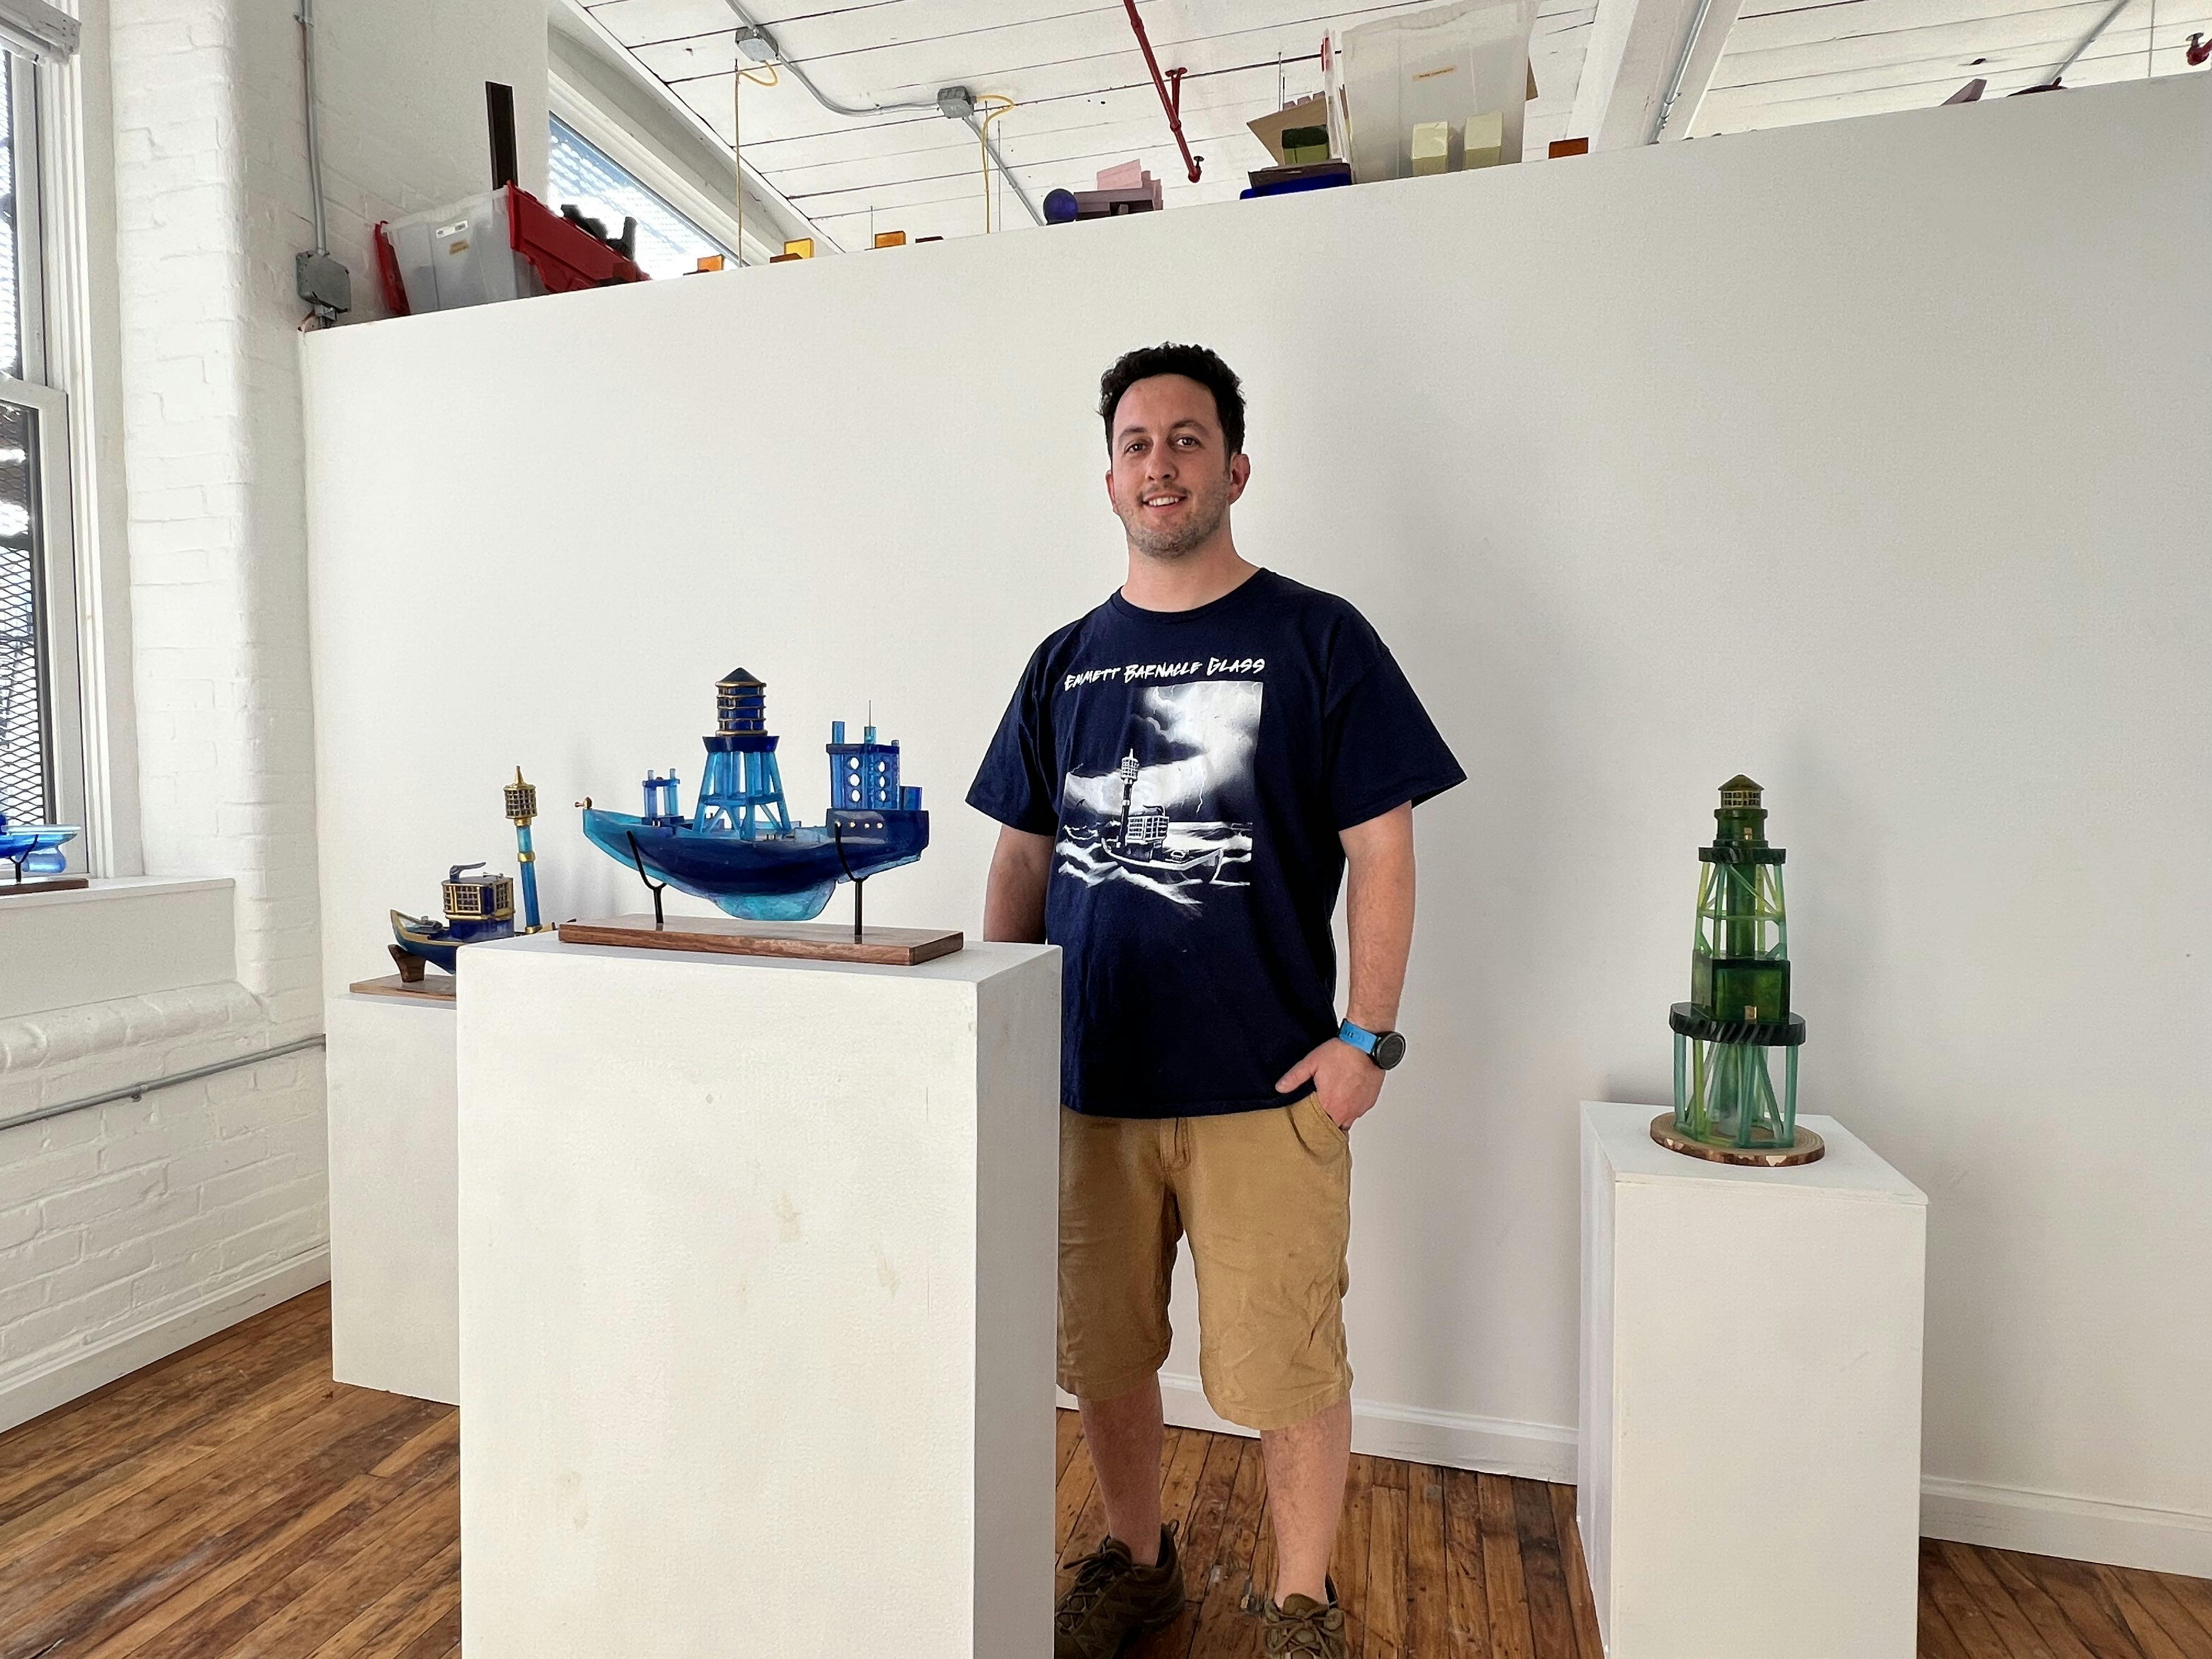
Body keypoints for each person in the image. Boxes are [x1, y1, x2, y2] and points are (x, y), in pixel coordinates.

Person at [968, 342, 1464, 1659]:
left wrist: (1367, 1040)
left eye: (1187, 440)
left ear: (1235, 469)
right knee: (1104, 1353)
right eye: (1136, 444)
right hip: (1088, 1092)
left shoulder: (1318, 638)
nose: (1161, 464)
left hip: (1269, 1088)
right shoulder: (1063, 662)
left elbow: (1385, 850)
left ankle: (1303, 1606)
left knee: (1290, 1365)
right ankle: (1140, 1565)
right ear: (1109, 481)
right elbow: (1019, 862)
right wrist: (1000, 1044)